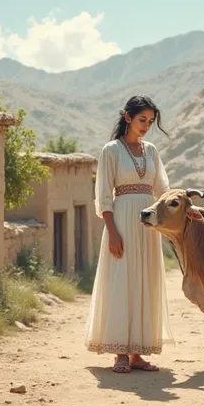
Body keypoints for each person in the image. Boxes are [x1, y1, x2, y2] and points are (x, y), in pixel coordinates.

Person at [84, 95, 175, 373]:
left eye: (150, 121)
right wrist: (112, 232)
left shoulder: (152, 151)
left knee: (145, 282)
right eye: (142, 120)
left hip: (148, 226)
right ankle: (120, 354)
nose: (146, 126)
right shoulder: (111, 150)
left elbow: (162, 189)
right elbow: (103, 197)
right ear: (127, 118)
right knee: (122, 282)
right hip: (121, 222)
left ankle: (137, 353)